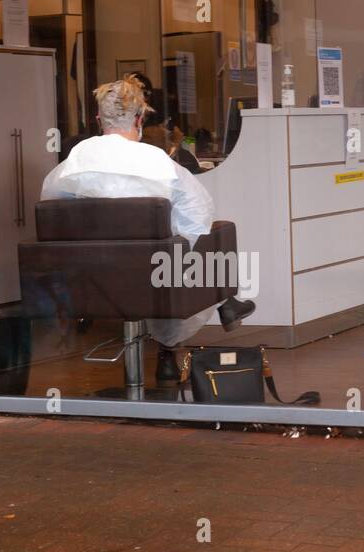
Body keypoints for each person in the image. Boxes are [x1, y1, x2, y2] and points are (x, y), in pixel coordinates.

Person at [41, 77, 254, 384]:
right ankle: (177, 341)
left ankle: (205, 316)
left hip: (87, 284)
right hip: (155, 280)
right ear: (140, 119)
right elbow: (198, 219)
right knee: (203, 240)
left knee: (165, 252)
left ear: (98, 119)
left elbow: (52, 218)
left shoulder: (69, 166)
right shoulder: (160, 164)